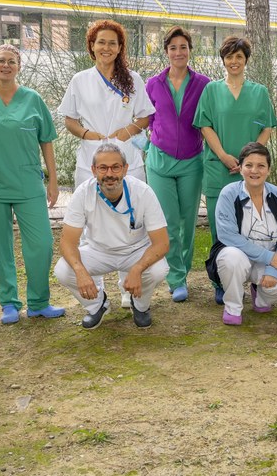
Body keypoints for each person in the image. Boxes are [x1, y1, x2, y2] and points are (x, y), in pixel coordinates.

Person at [59, 19, 154, 309]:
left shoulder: (132, 79)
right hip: (91, 157)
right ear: (91, 45)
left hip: (127, 157)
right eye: (101, 42)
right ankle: (95, 288)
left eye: (113, 43)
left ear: (120, 47)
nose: (106, 47)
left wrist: (127, 131)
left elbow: (145, 116)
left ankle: (128, 286)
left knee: (132, 222)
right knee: (89, 221)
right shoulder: (80, 80)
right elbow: (69, 119)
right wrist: (87, 134)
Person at [0, 44, 65, 325]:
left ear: (19, 66)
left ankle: (39, 302)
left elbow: (46, 141)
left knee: (42, 244)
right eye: (1, 60)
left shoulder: (33, 99)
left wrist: (53, 180)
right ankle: (9, 303)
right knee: (1, 248)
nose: (6, 65)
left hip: (28, 184)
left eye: (12, 61)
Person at [193, 36, 276, 304]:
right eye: (229, 56)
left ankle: (254, 278)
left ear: (246, 60)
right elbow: (205, 126)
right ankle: (221, 281)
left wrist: (249, 160)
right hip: (219, 169)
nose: (234, 61)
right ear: (223, 60)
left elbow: (267, 127)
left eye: (239, 56)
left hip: (250, 173)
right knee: (221, 230)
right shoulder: (211, 90)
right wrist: (224, 156)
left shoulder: (259, 92)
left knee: (252, 228)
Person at [54, 143, 169, 329]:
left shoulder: (143, 192)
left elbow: (162, 243)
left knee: (158, 270)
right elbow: (67, 242)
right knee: (64, 270)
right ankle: (97, 305)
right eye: (103, 168)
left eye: (115, 167)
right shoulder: (83, 193)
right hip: (98, 251)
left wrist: (138, 268)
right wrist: (80, 270)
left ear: (125, 169)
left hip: (135, 251)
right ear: (93, 170)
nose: (109, 174)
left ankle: (140, 305)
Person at [145, 26, 209, 303]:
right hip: (160, 161)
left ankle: (183, 270)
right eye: (173, 48)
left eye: (183, 47)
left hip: (192, 161)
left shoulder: (204, 84)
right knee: (168, 221)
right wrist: (148, 142)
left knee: (188, 221)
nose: (178, 52)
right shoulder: (153, 84)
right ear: (166, 52)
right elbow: (147, 120)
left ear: (190, 50)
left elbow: (208, 120)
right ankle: (176, 277)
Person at [205, 143, 277, 325]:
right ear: (240, 168)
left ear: (269, 170)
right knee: (231, 258)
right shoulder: (228, 194)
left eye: (261, 165)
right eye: (249, 165)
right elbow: (228, 235)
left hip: (269, 260)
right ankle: (233, 307)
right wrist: (269, 257)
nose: (254, 170)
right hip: (240, 257)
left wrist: (273, 269)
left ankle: (261, 297)